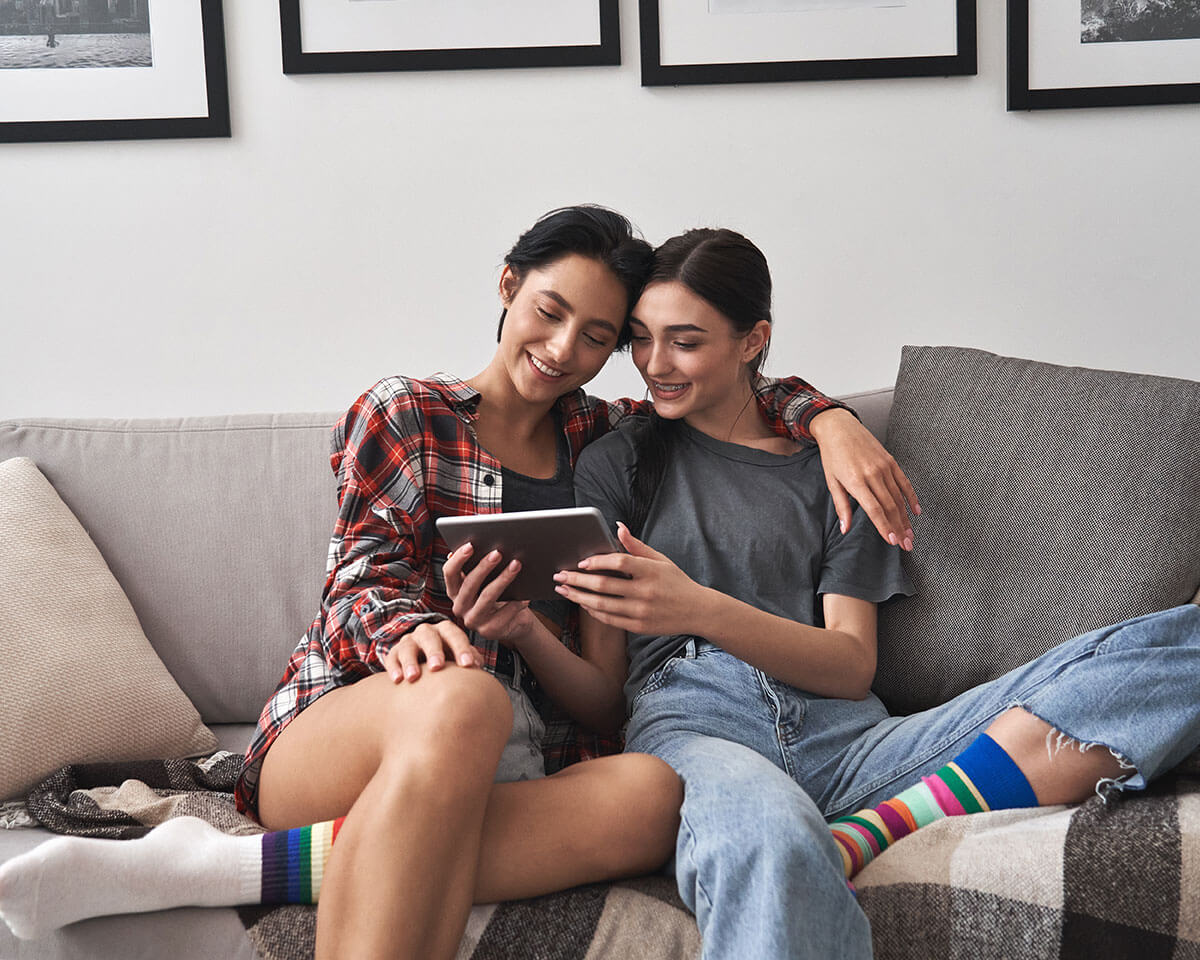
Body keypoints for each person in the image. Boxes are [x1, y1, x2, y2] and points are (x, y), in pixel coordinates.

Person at [0, 207, 918, 959]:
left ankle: (228, 871)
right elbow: (355, 576)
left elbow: (722, 390)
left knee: (654, 791)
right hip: (357, 723)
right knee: (463, 699)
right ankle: (301, 828)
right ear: (509, 287)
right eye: (550, 311)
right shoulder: (406, 412)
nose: (564, 348)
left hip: (516, 762)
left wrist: (828, 418)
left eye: (600, 336)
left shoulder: (606, 440)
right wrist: (413, 631)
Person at [553, 227, 1200, 960]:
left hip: (855, 744)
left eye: (684, 341)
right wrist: (522, 631)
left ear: (751, 340)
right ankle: (852, 828)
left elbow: (851, 664)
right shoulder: (620, 460)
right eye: (640, 339)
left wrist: (699, 605)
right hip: (699, 731)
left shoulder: (837, 468)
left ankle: (875, 825)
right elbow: (606, 697)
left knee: (1182, 645)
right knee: (776, 842)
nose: (653, 365)